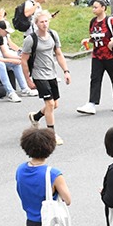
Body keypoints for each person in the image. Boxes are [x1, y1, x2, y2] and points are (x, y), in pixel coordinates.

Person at [21, 10, 71, 144]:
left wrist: (66, 71)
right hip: (38, 74)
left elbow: (59, 54)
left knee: (55, 104)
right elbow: (24, 60)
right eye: (41, 22)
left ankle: (35, 117)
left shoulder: (53, 35)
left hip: (51, 73)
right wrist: (28, 79)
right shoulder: (31, 39)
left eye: (46, 21)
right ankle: (51, 134)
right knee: (49, 104)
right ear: (36, 24)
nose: (44, 24)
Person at [79, 0, 113, 114]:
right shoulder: (93, 22)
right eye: (93, 7)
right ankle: (92, 103)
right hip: (97, 55)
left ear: (103, 8)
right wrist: (88, 40)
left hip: (110, 55)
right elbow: (95, 37)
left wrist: (112, 43)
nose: (93, 9)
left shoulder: (110, 21)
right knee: (95, 78)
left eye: (96, 7)